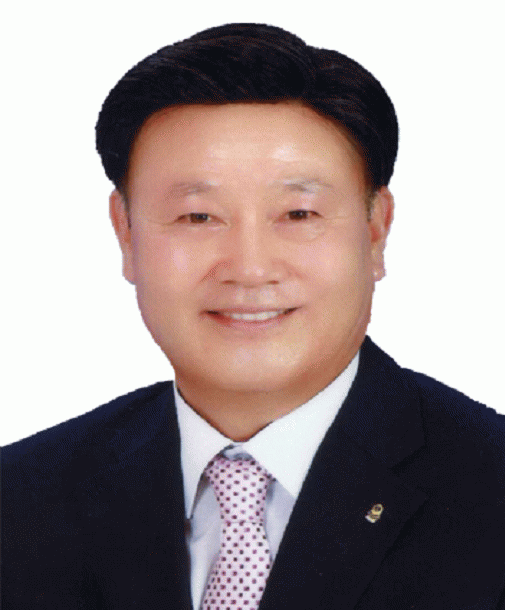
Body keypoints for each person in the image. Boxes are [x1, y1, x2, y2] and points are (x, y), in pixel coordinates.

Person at [2, 22, 505, 610]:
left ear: (375, 231)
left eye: (298, 214)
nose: (249, 268)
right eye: (198, 217)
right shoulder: (20, 500)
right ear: (126, 234)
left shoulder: (490, 489)